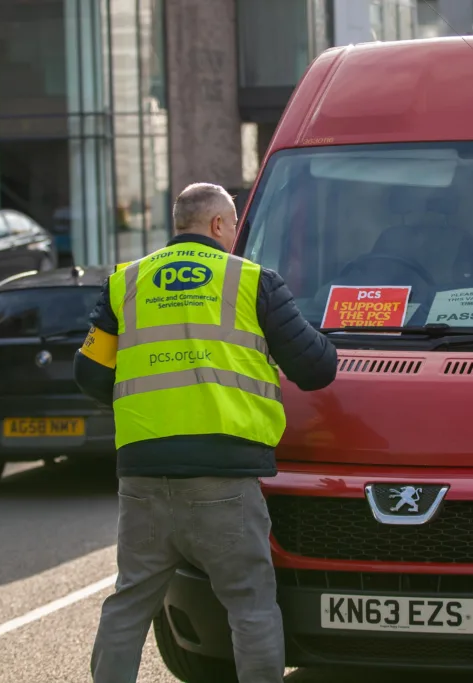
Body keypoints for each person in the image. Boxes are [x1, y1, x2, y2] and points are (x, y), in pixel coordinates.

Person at [73, 182, 337, 683]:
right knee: (251, 605)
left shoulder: (125, 282)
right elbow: (316, 368)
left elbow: (89, 374)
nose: (235, 235)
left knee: (129, 602)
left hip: (145, 475)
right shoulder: (251, 281)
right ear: (219, 225)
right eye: (234, 225)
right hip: (225, 479)